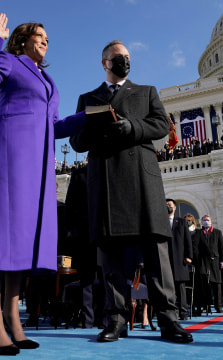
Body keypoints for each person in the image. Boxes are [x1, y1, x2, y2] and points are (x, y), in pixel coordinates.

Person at [0, 13, 86, 355]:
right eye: (38, 36)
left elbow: (54, 125)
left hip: (38, 162)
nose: (44, 40)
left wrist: (90, 117)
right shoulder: (10, 62)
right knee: (1, 231)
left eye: (46, 37)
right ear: (23, 40)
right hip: (8, 151)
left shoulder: (50, 82)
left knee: (24, 237)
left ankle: (14, 316)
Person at [69, 39, 192, 344]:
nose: (123, 61)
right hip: (107, 180)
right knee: (110, 257)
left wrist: (132, 128)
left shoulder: (147, 91)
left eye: (126, 57)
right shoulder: (88, 97)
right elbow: (76, 141)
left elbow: (161, 125)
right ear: (104, 63)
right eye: (116, 57)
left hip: (141, 177)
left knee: (155, 253)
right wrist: (97, 128)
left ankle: (168, 319)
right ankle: (115, 319)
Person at [192, 215, 223, 313]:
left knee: (217, 284)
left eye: (207, 220)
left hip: (215, 260)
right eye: (204, 220)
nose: (206, 222)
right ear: (201, 222)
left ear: (211, 221)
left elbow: (222, 247)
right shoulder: (198, 232)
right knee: (204, 284)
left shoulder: (217, 232)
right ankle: (206, 306)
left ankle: (218, 306)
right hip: (202, 261)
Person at [166, 199, 193, 320]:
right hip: (166, 259)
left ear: (175, 207)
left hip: (180, 258)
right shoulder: (161, 222)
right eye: (165, 205)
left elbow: (188, 241)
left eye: (169, 205)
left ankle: (183, 311)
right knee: (168, 286)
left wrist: (189, 256)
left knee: (180, 286)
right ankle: (172, 311)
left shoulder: (182, 222)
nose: (167, 207)